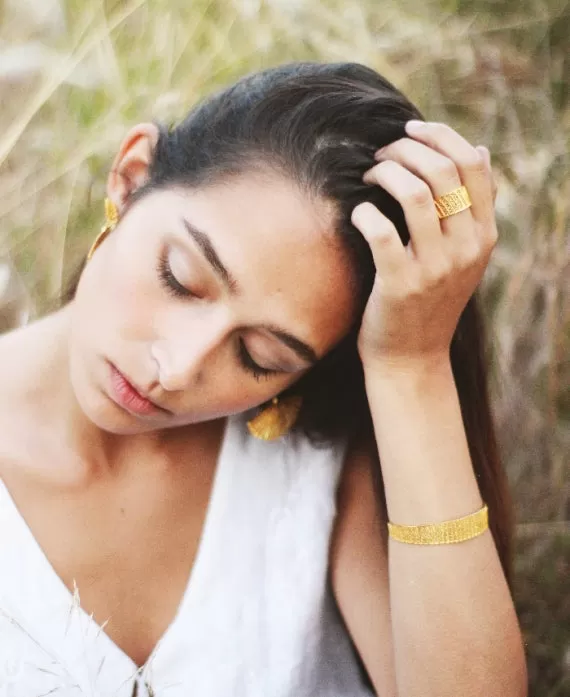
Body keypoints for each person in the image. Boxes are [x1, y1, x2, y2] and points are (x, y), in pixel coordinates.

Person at [0, 61, 527, 697]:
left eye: (260, 357)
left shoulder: (319, 463)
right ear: (131, 177)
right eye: (180, 279)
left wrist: (411, 367)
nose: (178, 366)